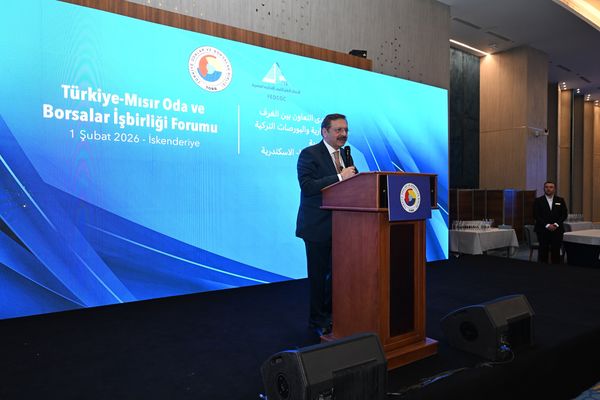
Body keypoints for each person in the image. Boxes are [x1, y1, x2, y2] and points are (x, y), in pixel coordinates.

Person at [295, 113, 357, 336]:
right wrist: (340, 177)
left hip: (342, 227)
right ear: (324, 131)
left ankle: (334, 314)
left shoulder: (346, 156)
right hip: (317, 227)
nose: (343, 134)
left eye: (345, 130)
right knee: (319, 277)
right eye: (338, 130)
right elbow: (308, 187)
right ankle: (317, 320)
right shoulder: (309, 154)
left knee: (338, 276)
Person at [533, 180, 568, 264]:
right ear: (544, 189)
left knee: (556, 251)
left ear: (554, 189)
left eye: (551, 187)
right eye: (546, 187)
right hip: (542, 230)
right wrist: (547, 225)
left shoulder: (560, 200)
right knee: (543, 251)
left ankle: (555, 269)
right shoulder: (538, 200)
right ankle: (543, 269)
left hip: (557, 230)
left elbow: (564, 215)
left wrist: (555, 225)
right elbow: (536, 215)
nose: (548, 189)